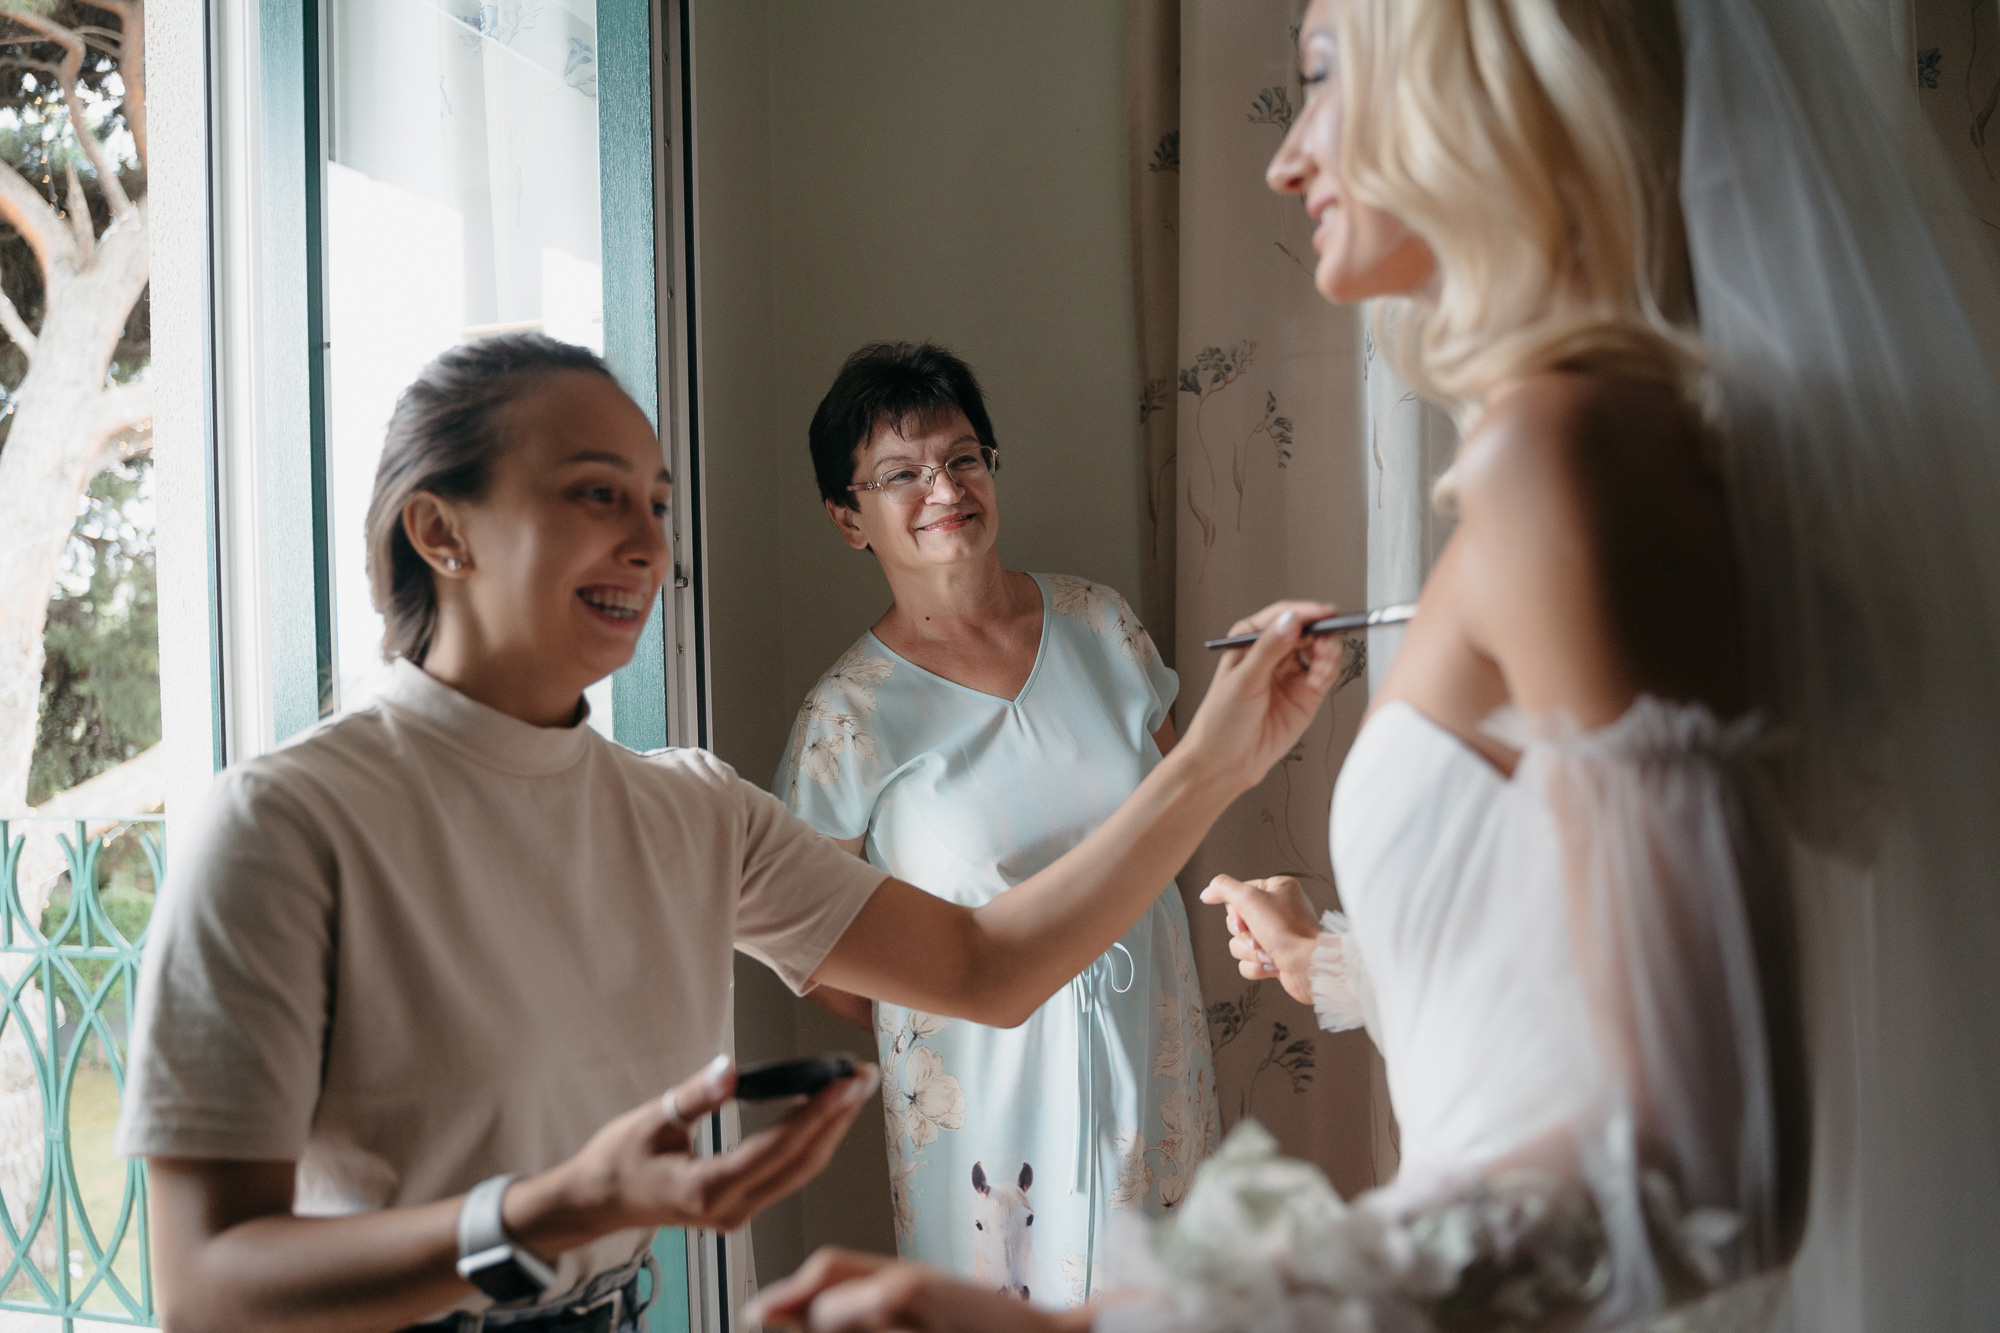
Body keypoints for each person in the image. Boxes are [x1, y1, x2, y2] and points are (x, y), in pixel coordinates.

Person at [744, 0, 2000, 1327]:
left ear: (1500, 92)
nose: (1290, 158)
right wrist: (1339, 962)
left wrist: (1127, 1319)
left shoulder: (1568, 456)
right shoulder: (1594, 443)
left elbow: (1715, 1161)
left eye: (1330, 75)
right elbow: (1578, 987)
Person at [113, 334, 1341, 1332]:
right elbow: (207, 1288)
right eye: (594, 495)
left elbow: (985, 969)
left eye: (654, 500)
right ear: (442, 532)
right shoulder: (281, 825)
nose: (647, 541)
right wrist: (548, 1211)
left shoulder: (687, 808)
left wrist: (1221, 759)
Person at [775, 343, 1219, 1306]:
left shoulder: (1104, 625)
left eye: (963, 456)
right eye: (902, 473)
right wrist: (945, 994)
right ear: (848, 517)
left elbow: (1179, 816)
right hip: (988, 1086)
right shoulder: (847, 717)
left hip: (1152, 1032)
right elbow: (811, 948)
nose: (944, 486)